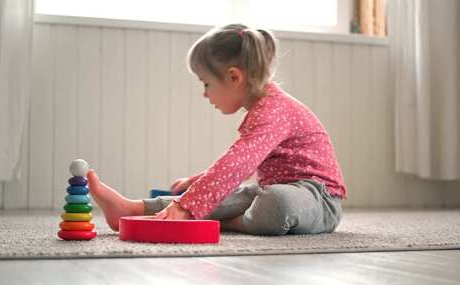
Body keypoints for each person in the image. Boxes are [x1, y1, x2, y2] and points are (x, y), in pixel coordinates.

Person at [87, 24, 346, 236]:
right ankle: (133, 209)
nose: (204, 94)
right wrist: (197, 183)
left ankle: (231, 222)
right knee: (232, 195)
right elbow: (237, 165)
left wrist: (187, 208)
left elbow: (236, 164)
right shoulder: (264, 107)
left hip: (319, 200)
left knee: (275, 203)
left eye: (207, 83)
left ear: (234, 77)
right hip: (274, 188)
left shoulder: (274, 110)